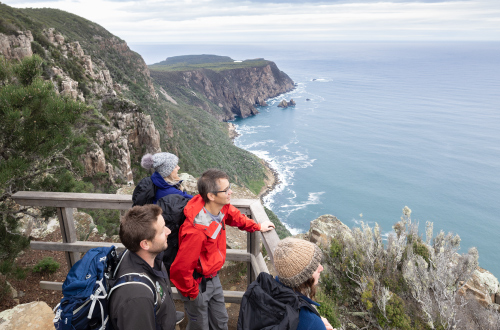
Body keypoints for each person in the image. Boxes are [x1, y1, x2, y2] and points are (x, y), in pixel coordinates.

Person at [170, 168, 276, 330]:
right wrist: (193, 294)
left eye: (229, 187)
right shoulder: (196, 230)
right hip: (197, 284)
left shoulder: (219, 207)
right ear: (211, 196)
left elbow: (235, 216)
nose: (230, 192)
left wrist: (257, 226)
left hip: (213, 277)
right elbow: (180, 269)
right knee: (200, 325)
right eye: (226, 190)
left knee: (221, 321)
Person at [109, 204, 183, 330]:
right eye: (162, 231)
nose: (168, 231)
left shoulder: (147, 257)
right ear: (145, 244)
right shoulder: (137, 299)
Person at [273, 238, 335, 330]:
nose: (321, 268)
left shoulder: (271, 287)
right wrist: (316, 324)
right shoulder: (311, 323)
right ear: (303, 276)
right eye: (315, 266)